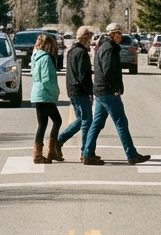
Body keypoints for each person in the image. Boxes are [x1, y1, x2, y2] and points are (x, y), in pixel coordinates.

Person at [82, 23, 150, 166]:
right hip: (108, 92)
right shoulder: (108, 48)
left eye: (120, 34)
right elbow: (108, 72)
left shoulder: (104, 46)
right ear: (110, 35)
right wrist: (115, 89)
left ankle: (87, 153)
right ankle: (131, 154)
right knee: (121, 123)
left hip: (101, 91)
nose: (120, 37)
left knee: (97, 123)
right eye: (117, 34)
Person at [56, 26, 95, 161]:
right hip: (80, 90)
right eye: (89, 38)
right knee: (87, 121)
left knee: (80, 120)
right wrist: (90, 92)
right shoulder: (81, 53)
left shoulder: (72, 51)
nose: (90, 41)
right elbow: (83, 75)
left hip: (72, 90)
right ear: (86, 38)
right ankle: (85, 151)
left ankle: (59, 141)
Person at [30, 34, 63, 163]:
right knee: (57, 121)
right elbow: (47, 79)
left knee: (43, 124)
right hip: (45, 94)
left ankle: (41, 152)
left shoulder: (36, 57)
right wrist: (56, 92)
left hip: (37, 93)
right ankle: (50, 150)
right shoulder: (46, 59)